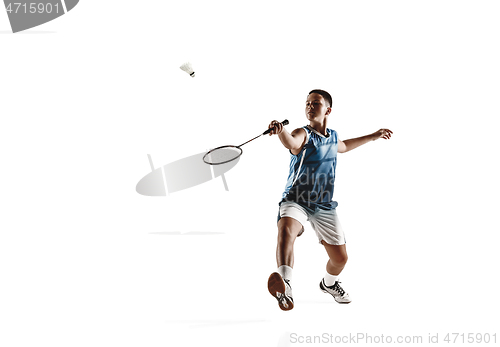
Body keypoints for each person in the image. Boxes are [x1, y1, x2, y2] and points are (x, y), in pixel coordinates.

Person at [267, 89, 392, 311]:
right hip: (296, 199)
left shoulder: (332, 136)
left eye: (315, 103)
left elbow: (343, 146)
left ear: (328, 110)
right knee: (286, 228)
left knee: (341, 259)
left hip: (324, 205)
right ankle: (286, 283)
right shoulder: (302, 133)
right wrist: (281, 131)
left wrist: (373, 136)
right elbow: (291, 142)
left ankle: (329, 283)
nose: (309, 106)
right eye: (307, 103)